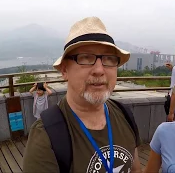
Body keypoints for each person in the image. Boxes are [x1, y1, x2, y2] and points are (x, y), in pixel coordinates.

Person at [23, 17, 142, 173]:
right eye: (86, 58)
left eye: (108, 59)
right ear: (64, 70)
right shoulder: (46, 136)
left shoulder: (124, 115)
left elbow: (135, 169)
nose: (99, 70)